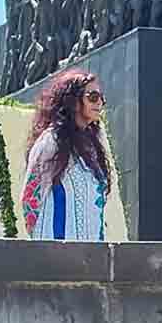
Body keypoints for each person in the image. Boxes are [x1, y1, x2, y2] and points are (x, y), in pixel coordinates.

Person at [21, 69, 112, 240]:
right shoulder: (51, 141)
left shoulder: (92, 147)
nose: (99, 103)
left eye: (101, 98)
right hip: (57, 255)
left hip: (90, 257)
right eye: (93, 96)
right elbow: (30, 198)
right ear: (73, 100)